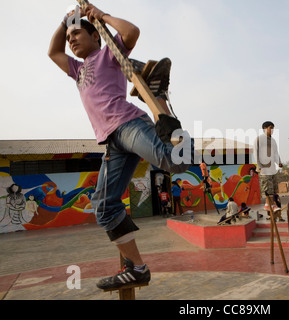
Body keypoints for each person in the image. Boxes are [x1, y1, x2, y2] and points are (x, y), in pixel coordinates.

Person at [48, 3, 193, 290]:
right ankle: (137, 268)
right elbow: (53, 52)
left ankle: (166, 111)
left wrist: (100, 16)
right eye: (69, 37)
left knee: (175, 162)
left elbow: (131, 31)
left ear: (96, 37)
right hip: (112, 142)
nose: (72, 39)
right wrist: (65, 23)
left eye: (78, 34)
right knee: (103, 205)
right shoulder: (76, 69)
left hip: (128, 125)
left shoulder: (108, 54)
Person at [253, 121, 283, 216]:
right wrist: (258, 165)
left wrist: (279, 162)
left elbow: (275, 153)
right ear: (265, 128)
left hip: (272, 168)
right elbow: (255, 152)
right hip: (264, 168)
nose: (272, 130)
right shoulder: (259, 139)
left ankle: (268, 204)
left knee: (274, 189)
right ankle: (271, 205)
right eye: (270, 128)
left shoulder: (273, 141)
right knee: (268, 189)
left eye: (273, 128)